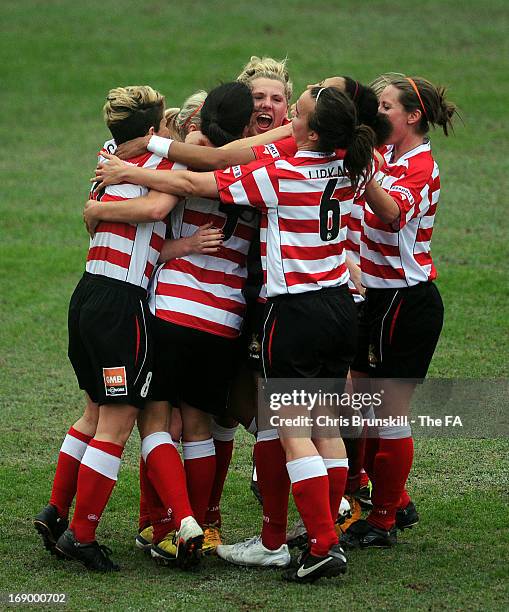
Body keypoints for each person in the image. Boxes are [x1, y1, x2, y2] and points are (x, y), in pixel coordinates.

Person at [92, 85, 376, 584]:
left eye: (299, 108)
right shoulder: (354, 165)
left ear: (305, 129)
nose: (289, 111)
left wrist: (132, 163)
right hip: (338, 309)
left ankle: (318, 545)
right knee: (325, 429)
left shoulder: (282, 174)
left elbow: (205, 181)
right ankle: (322, 534)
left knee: (292, 433)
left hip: (295, 314)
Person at [34, 85, 205, 572]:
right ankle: (82, 536)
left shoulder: (107, 160)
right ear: (153, 133)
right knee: (118, 420)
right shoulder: (162, 170)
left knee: (92, 413)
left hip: (87, 296)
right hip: (119, 309)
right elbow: (153, 211)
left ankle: (56, 510)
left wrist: (183, 243)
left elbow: (132, 235)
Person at [85, 81, 257, 561]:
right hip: (224, 318)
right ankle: (201, 523)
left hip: (171, 309)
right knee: (200, 423)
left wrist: (104, 196)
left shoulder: (182, 163)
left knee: (156, 421)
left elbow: (169, 195)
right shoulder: (253, 166)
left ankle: (174, 522)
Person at [340, 76, 457, 549]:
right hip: (377, 299)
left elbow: (391, 213)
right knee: (356, 404)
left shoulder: (420, 166)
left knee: (389, 414)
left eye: (385, 106)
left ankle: (385, 518)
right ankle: (389, 495)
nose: (377, 112)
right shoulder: (388, 154)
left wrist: (362, 169)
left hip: (406, 303)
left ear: (413, 116)